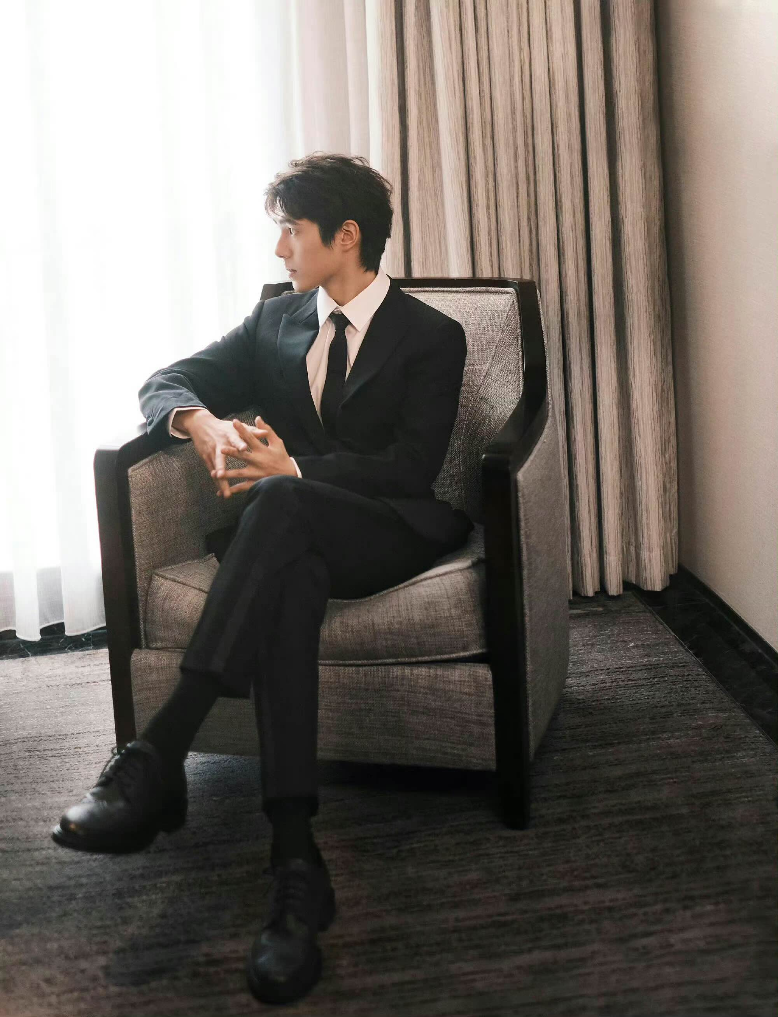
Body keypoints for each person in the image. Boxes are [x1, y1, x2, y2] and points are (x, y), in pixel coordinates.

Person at [51, 152, 473, 1005]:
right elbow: (164, 381)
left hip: (384, 531)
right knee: (289, 568)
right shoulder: (275, 320)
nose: (280, 249)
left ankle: (158, 752)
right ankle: (293, 860)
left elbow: (411, 467)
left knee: (280, 502)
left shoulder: (431, 335)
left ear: (346, 236)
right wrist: (200, 423)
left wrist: (299, 470)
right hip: (294, 541)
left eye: (292, 230)